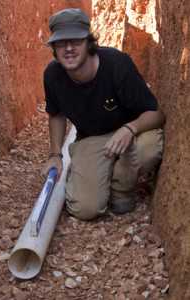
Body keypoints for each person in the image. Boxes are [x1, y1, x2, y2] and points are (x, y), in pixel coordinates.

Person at [42, 8, 165, 220]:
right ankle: (98, 175)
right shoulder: (53, 75)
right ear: (54, 47)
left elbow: (156, 115)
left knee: (148, 147)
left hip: (133, 132)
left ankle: (121, 188)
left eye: (76, 41)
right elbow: (56, 114)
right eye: (61, 43)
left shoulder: (117, 65)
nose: (68, 48)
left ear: (89, 42)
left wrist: (130, 129)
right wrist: (55, 155)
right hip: (93, 138)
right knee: (85, 209)